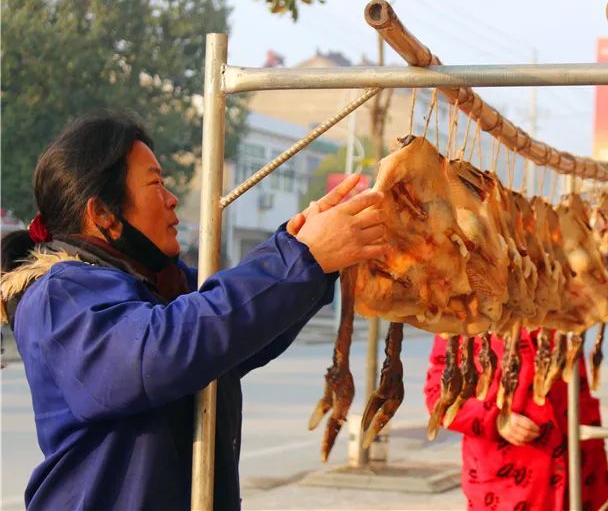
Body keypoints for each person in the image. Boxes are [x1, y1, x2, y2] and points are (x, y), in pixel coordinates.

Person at [0, 111, 387, 510]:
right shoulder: (59, 294)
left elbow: (231, 335)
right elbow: (163, 351)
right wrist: (299, 259)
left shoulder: (154, 284)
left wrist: (305, 253)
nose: (171, 199)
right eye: (155, 183)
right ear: (102, 215)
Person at [424, 192, 608, 511]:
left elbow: (607, 282)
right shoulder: (465, 313)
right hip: (507, 481)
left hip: (577, 468)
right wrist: (496, 421)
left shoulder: (559, 292)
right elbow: (437, 397)